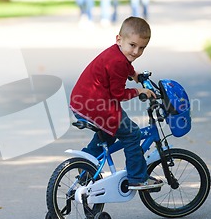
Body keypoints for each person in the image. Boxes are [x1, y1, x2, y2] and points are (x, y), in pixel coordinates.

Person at [69, 16, 162, 190]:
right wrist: (138, 91)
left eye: (142, 48)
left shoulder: (116, 54)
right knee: (132, 133)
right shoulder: (118, 62)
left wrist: (135, 75)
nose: (136, 52)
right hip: (96, 105)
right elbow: (118, 94)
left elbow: (125, 67)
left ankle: (85, 164)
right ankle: (137, 177)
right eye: (132, 45)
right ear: (119, 39)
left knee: (109, 133)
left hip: (81, 102)